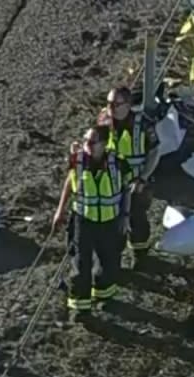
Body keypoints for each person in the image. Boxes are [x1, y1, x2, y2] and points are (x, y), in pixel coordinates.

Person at [51, 125, 133, 322]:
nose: (86, 145)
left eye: (92, 142)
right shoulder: (77, 161)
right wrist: (60, 211)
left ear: (104, 144)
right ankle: (81, 308)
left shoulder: (119, 164)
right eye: (85, 140)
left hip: (109, 221)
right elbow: (69, 184)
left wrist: (126, 216)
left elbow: (127, 190)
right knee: (80, 263)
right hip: (83, 220)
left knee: (108, 261)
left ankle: (104, 296)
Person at [97, 86, 157, 268]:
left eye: (116, 104)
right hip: (112, 182)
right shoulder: (103, 121)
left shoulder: (143, 124)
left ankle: (141, 254)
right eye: (108, 103)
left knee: (137, 219)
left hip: (136, 183)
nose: (111, 108)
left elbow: (155, 151)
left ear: (128, 105)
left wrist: (143, 178)